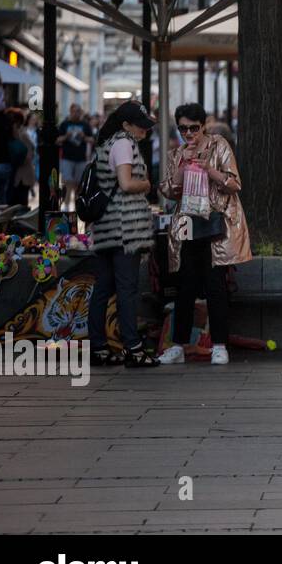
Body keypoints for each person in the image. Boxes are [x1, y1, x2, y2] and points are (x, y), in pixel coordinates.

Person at [158, 103, 252, 367]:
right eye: (183, 128)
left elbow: (234, 183)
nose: (189, 134)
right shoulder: (176, 154)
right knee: (185, 284)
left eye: (194, 128)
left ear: (203, 126)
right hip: (186, 224)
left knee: (215, 284)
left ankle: (219, 346)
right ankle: (178, 345)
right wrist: (182, 167)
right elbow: (167, 189)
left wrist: (209, 171)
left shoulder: (219, 145)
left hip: (213, 222)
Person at [88, 101, 159, 368]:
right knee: (127, 289)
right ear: (126, 125)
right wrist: (147, 184)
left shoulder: (108, 143)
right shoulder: (124, 144)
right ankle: (133, 348)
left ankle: (99, 347)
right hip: (124, 229)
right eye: (140, 126)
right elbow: (127, 183)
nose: (144, 130)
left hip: (107, 228)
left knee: (103, 287)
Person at [55, 102, 94, 211]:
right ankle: (66, 205)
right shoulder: (65, 124)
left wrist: (84, 137)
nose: (76, 114)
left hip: (81, 158)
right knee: (68, 182)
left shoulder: (85, 125)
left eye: (78, 111)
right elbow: (57, 140)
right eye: (74, 111)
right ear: (70, 112)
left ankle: (77, 206)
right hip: (67, 158)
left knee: (78, 184)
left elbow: (92, 140)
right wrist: (66, 136)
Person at [6, 108, 35, 207]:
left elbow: (28, 156)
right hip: (16, 178)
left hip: (22, 178)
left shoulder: (22, 135)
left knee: (20, 206)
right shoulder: (11, 135)